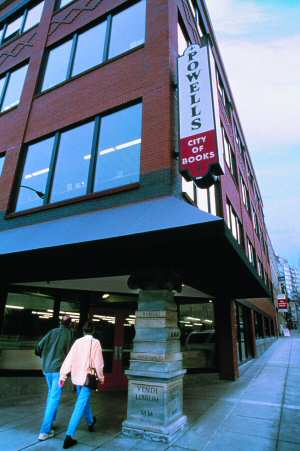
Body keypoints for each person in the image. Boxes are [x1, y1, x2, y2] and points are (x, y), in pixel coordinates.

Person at [59, 321, 104, 449]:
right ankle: (68, 436)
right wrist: (101, 378)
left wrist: (63, 376)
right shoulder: (95, 343)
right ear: (93, 331)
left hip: (77, 378)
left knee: (84, 401)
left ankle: (90, 422)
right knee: (80, 405)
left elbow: (69, 359)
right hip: (87, 379)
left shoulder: (77, 342)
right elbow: (98, 364)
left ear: (83, 331)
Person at [35, 314, 74, 441]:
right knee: (54, 398)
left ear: (60, 322)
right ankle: (44, 431)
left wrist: (46, 358)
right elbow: (69, 354)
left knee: (51, 395)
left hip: (47, 369)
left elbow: (38, 347)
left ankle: (50, 422)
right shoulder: (69, 334)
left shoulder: (52, 331)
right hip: (58, 370)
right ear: (70, 323)